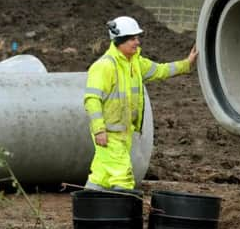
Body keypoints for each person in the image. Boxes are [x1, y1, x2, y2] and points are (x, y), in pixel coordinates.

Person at [83, 15, 198, 191]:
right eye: (132, 39)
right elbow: (92, 100)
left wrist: (186, 64)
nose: (137, 42)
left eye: (137, 38)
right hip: (109, 134)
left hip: (123, 133)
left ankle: (87, 210)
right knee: (123, 178)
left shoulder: (136, 62)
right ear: (119, 40)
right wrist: (99, 130)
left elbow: (161, 70)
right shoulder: (104, 66)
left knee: (101, 176)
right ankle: (120, 216)